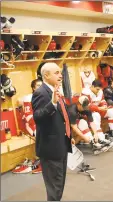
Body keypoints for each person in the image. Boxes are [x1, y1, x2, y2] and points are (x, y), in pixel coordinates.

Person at [32, 62, 74, 201]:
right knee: (54, 188)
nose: (61, 76)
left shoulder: (55, 90)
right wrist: (52, 104)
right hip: (50, 148)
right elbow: (38, 117)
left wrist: (68, 135)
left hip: (60, 144)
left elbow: (62, 118)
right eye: (56, 73)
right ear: (46, 75)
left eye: (60, 72)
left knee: (59, 184)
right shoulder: (41, 93)